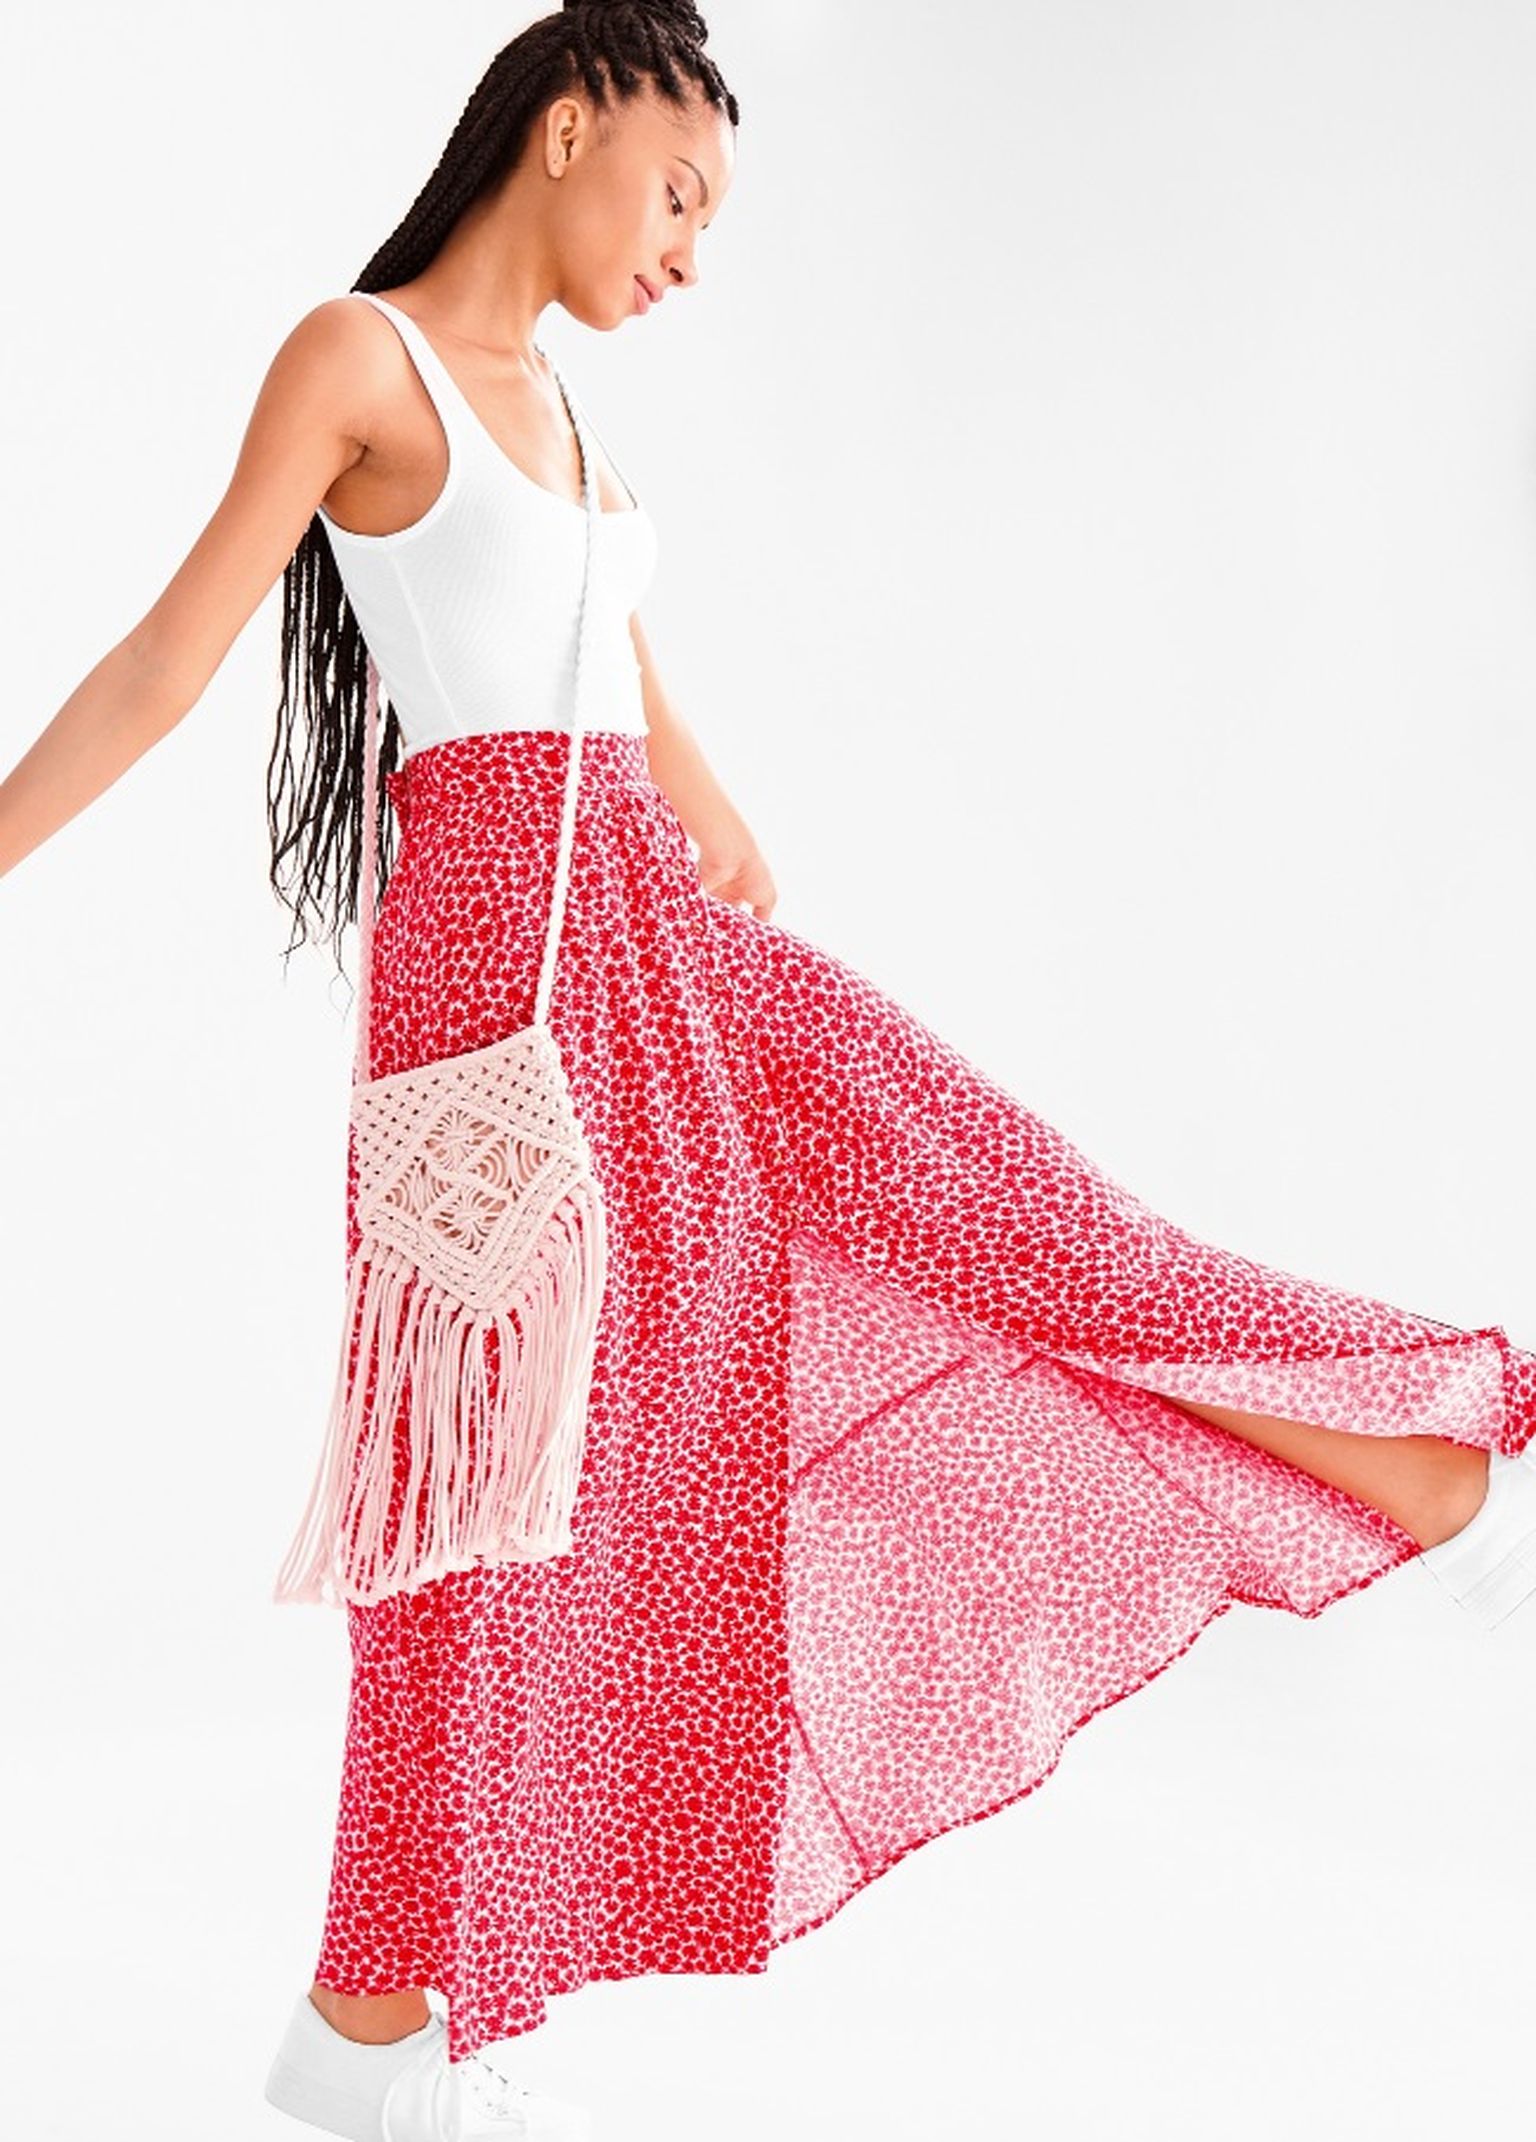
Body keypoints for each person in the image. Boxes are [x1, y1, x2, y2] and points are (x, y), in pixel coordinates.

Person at [4, 4, 1535, 2138]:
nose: (691, 254)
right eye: (682, 194)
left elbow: (618, 675)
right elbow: (171, 657)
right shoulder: (364, 358)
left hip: (657, 939)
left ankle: (1388, 1443)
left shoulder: (567, 415)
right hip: (497, 991)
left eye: (711, 223)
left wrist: (709, 804)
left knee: (983, 1197)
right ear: (569, 126)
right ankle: (367, 2025)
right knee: (491, 1500)